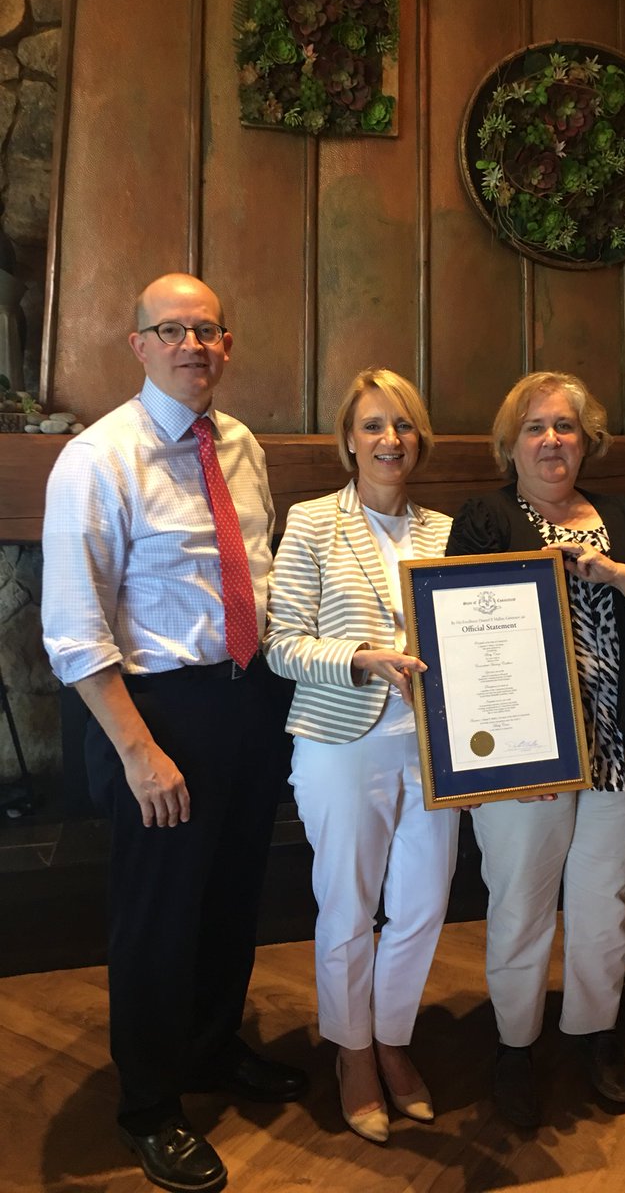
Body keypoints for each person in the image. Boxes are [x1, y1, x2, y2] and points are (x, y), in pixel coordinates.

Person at [41, 273, 306, 1193]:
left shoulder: (242, 446)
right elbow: (74, 629)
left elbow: (256, 571)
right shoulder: (97, 459)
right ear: (139, 345)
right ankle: (150, 1107)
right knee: (156, 919)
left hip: (248, 699)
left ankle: (211, 1048)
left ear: (227, 344)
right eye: (171, 330)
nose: (193, 345)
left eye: (208, 330)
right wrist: (138, 750)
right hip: (159, 713)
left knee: (233, 896)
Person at [446, 371, 625, 1127]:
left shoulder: (620, 515)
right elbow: (457, 638)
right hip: (527, 758)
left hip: (620, 745)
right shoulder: (486, 517)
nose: (552, 440)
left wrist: (617, 571)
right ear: (510, 443)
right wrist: (501, 757)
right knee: (520, 903)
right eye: (535, 427)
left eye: (566, 427)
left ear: (587, 441)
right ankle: (514, 1046)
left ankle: (594, 1032)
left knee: (603, 901)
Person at [264, 368, 459, 1144]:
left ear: (420, 440)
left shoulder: (447, 531)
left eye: (403, 425)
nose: (390, 439)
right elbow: (282, 644)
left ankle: (393, 1039)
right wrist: (359, 659)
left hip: (436, 749)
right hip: (341, 743)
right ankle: (352, 1053)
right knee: (348, 905)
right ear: (349, 438)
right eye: (374, 424)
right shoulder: (313, 521)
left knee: (424, 904)